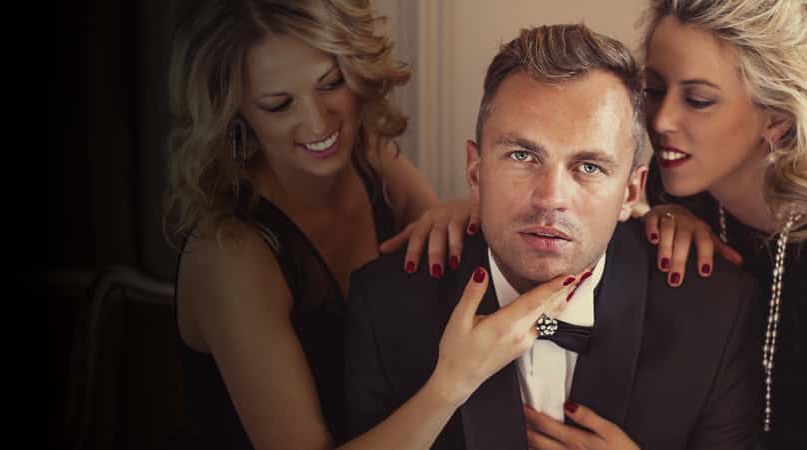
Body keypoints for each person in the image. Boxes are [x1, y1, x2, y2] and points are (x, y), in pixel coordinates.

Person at [164, 1, 566, 449]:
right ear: (235, 115)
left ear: (356, 71)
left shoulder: (372, 162)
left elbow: (457, 268)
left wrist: (465, 210)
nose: (318, 122)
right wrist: (452, 384)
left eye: (330, 84)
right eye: (278, 105)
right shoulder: (229, 255)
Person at [342, 24, 763, 449]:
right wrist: (447, 388)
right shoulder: (383, 305)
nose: (551, 198)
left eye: (589, 167)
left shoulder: (716, 313)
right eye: (522, 156)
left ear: (630, 192)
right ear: (476, 171)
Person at [633, 1, 807, 447]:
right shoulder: (668, 190)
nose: (661, 120)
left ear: (777, 117)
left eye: (698, 100)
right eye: (654, 89)